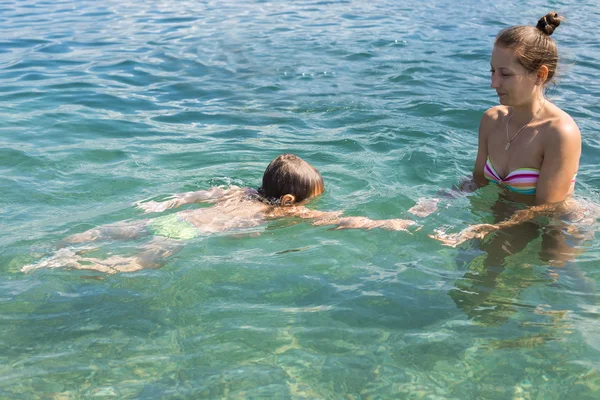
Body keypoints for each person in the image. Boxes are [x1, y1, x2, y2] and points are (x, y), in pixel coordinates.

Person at [23, 154, 418, 274]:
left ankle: (63, 244)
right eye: (307, 202)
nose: (309, 209)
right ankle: (69, 264)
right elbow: (338, 221)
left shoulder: (241, 191)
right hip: (182, 237)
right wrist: (386, 222)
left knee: (107, 232)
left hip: (166, 221)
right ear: (287, 202)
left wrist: (164, 203)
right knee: (136, 264)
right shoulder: (279, 215)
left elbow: (197, 193)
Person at [433, 11, 585, 249]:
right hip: (503, 220)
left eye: (505, 74)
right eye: (492, 71)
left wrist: (485, 229)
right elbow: (478, 181)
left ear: (540, 75)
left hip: (554, 231)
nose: (494, 83)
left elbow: (546, 209)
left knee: (552, 275)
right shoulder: (492, 119)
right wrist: (434, 203)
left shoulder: (559, 132)